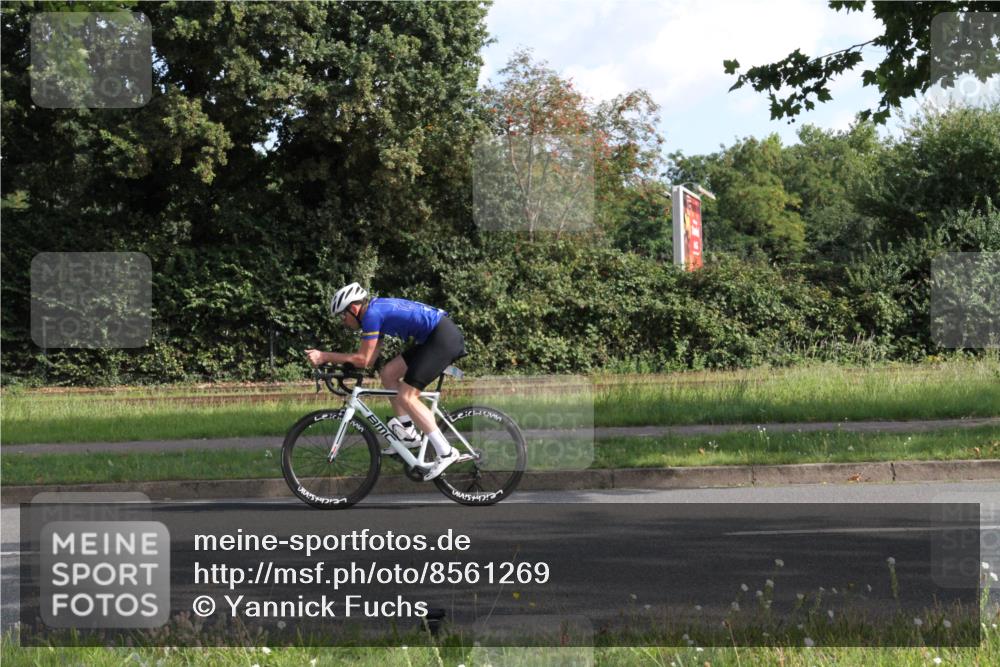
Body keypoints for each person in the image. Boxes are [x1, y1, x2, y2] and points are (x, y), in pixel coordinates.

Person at [304, 282, 466, 481]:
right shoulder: (374, 312)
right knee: (388, 373)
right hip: (435, 337)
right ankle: (408, 433)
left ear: (353, 308)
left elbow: (363, 360)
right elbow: (370, 360)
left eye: (342, 315)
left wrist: (324, 356)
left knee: (408, 396)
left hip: (442, 338)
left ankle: (446, 452)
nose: (343, 321)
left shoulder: (372, 315)